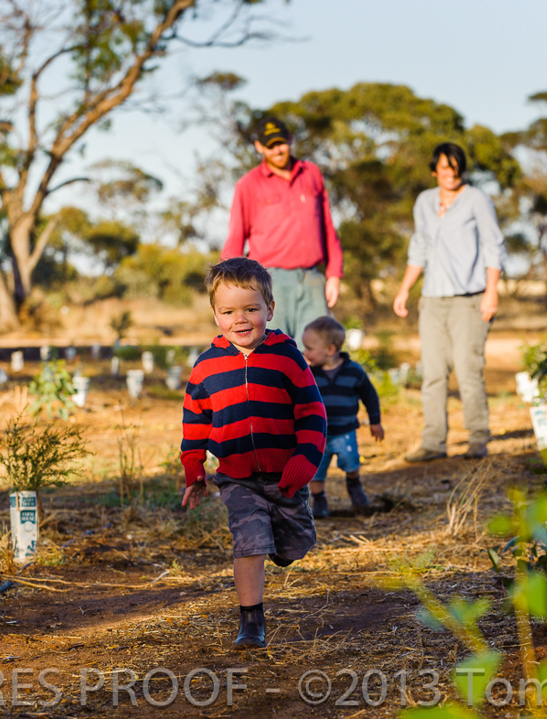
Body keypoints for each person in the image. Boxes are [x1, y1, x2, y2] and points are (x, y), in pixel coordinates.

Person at [180, 257, 327, 649]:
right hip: (237, 478)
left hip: (286, 476)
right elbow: (194, 420)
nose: (240, 320)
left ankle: (281, 542)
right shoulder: (206, 367)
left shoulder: (287, 357)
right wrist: (194, 467)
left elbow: (313, 413)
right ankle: (251, 622)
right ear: (215, 315)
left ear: (270, 309)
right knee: (249, 543)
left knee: (295, 544)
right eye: (228, 312)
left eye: (250, 309)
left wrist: (304, 461)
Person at [393, 143, 504, 462]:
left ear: (462, 171)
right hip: (432, 299)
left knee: (468, 370)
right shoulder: (424, 202)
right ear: (434, 171)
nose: (450, 174)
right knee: (432, 373)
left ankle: (478, 437)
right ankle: (433, 442)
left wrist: (491, 291)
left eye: (456, 168)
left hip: (469, 300)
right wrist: (404, 290)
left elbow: (493, 245)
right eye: (444, 168)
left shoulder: (477, 199)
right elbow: (420, 247)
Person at [221, 117, 343, 347]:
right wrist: (227, 287)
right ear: (259, 147)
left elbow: (327, 226)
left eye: (281, 143)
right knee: (273, 353)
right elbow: (236, 237)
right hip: (269, 281)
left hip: (312, 279)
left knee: (317, 353)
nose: (277, 150)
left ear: (290, 140)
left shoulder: (311, 174)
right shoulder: (248, 184)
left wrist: (334, 274)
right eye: (270, 145)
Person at [300, 316, 383, 518]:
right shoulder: (308, 374)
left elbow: (370, 396)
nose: (305, 353)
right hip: (317, 435)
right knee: (316, 469)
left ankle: (354, 483)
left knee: (350, 460)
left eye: (309, 348)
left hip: (345, 431)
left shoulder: (354, 372)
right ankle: (319, 500)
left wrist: (375, 421)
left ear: (330, 349)